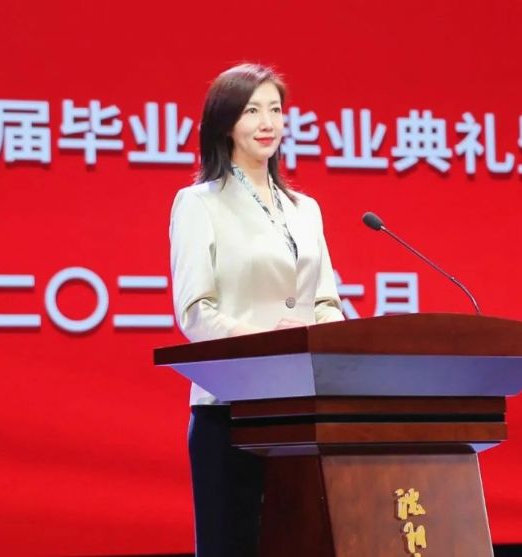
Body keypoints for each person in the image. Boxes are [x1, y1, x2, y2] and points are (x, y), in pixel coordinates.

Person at [168, 63, 344, 557]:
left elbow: (326, 303)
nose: (267, 123)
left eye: (275, 110)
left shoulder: (305, 208)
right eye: (251, 111)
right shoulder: (199, 203)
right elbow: (196, 311)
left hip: (303, 412)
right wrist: (269, 346)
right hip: (231, 411)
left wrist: (331, 342)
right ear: (226, 123)